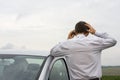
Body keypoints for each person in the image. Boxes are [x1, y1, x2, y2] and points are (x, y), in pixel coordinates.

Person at [50, 21, 117, 80]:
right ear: (88, 31)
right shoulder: (95, 42)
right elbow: (113, 41)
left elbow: (53, 52)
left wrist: (68, 40)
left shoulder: (68, 44)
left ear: (75, 32)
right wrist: (95, 32)